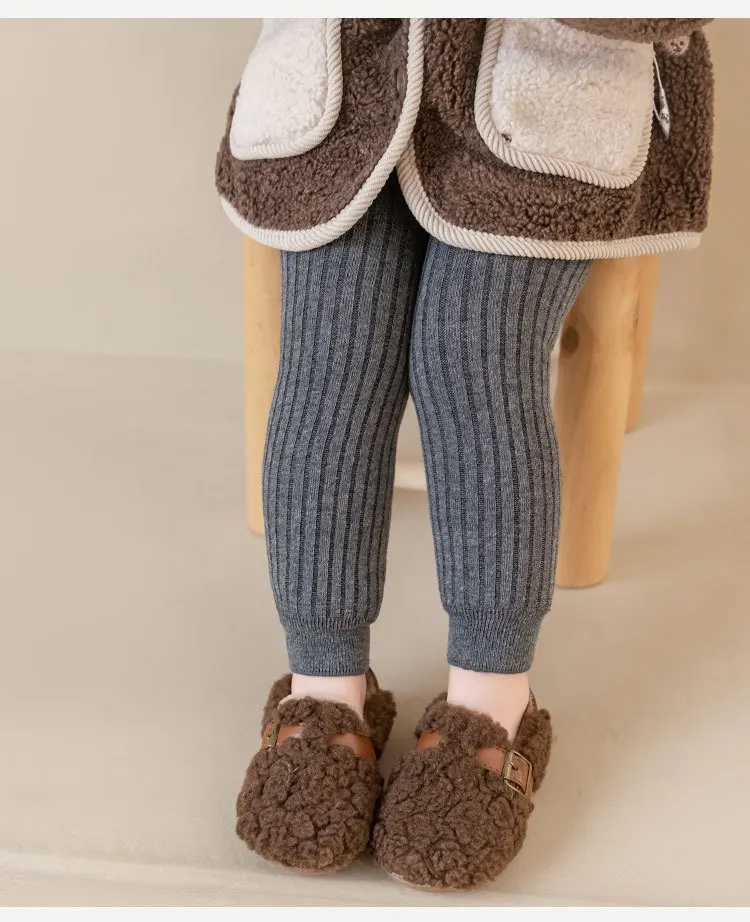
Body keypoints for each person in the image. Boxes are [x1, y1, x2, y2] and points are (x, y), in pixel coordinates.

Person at [215, 18, 713, 890]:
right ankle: (323, 688)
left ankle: (494, 702)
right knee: (334, 360)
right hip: (347, 91)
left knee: (472, 357)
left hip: (544, 96)